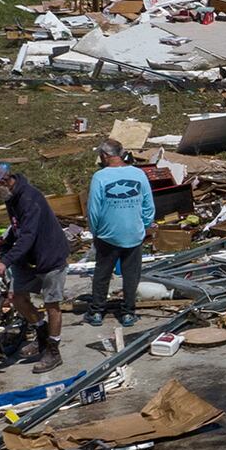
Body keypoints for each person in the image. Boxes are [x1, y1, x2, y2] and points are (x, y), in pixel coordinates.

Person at [0, 163, 69, 373]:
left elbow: (28, 235)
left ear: (2, 182)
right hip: (30, 259)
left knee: (52, 304)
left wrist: (5, 261)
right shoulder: (11, 197)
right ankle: (41, 334)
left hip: (50, 257)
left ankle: (53, 351)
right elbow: (17, 226)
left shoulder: (29, 198)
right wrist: (5, 242)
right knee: (18, 298)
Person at [84, 139, 154, 328]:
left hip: (108, 234)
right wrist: (144, 225)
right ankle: (128, 312)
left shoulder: (100, 177)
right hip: (133, 233)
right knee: (131, 275)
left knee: (102, 273)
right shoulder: (138, 174)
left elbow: (93, 209)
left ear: (105, 156)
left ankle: (97, 311)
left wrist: (95, 231)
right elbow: (148, 204)